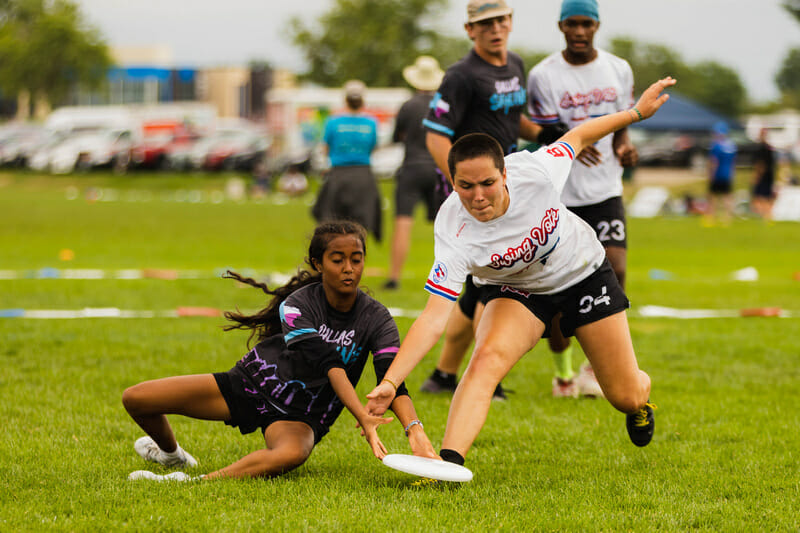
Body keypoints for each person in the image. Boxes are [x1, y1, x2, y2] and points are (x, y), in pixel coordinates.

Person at [367, 77, 677, 471]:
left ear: (505, 175)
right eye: (465, 186)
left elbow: (580, 135)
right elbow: (432, 318)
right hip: (517, 289)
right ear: (452, 182)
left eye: (487, 183)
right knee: (485, 360)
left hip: (582, 273)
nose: (477, 196)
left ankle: (641, 394)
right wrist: (391, 383)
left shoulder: (536, 169)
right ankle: (448, 463)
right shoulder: (452, 228)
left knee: (625, 396)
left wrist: (636, 113)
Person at [122, 220, 436, 481]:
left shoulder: (377, 318)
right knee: (136, 399)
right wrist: (362, 417)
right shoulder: (297, 304)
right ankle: (172, 456)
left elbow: (393, 380)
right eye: (337, 259)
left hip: (302, 415)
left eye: (356, 259)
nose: (349, 268)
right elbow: (329, 362)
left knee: (292, 454)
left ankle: (193, 483)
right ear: (318, 263)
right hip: (252, 385)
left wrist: (414, 430)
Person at [418, 0, 553, 400]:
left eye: (500, 20)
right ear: (469, 30)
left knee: (478, 288)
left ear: (511, 22)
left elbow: (513, 118)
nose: (495, 28)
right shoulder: (461, 75)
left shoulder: (516, 65)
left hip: (506, 191)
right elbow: (435, 135)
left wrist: (546, 133)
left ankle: (443, 375)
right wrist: (465, 187)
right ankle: (482, 377)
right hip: (479, 197)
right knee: (496, 282)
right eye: (485, 23)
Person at [527, 0, 637, 399]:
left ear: (597, 25)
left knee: (616, 268)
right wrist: (569, 143)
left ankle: (595, 368)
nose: (578, 31)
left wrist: (624, 147)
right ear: (560, 26)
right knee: (559, 293)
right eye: (571, 24)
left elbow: (625, 120)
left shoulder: (618, 68)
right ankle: (563, 373)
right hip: (561, 195)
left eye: (585, 23)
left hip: (606, 190)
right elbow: (540, 130)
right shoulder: (543, 75)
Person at [383, 56, 446, 290]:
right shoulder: (443, 105)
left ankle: (394, 278)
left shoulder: (408, 105)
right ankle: (447, 275)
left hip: (410, 168)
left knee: (403, 223)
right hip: (438, 168)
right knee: (445, 226)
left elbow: (397, 136)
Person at [312, 81, 382, 241]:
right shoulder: (371, 123)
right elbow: (373, 147)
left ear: (346, 99)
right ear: (362, 100)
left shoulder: (333, 122)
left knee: (332, 219)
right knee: (362, 220)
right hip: (363, 174)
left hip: (338, 174)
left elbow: (325, 148)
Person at [704, 121, 738, 226]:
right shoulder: (731, 146)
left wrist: (710, 174)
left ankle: (711, 217)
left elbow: (714, 161)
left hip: (718, 174)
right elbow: (733, 162)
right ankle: (727, 218)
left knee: (712, 197)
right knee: (727, 197)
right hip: (728, 174)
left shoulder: (716, 146)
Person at [750, 128, 776, 222]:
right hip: (770, 175)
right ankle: (768, 216)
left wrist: (756, 176)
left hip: (764, 176)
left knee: (759, 196)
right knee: (767, 196)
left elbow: (760, 165)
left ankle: (763, 215)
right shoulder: (770, 148)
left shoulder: (760, 149)